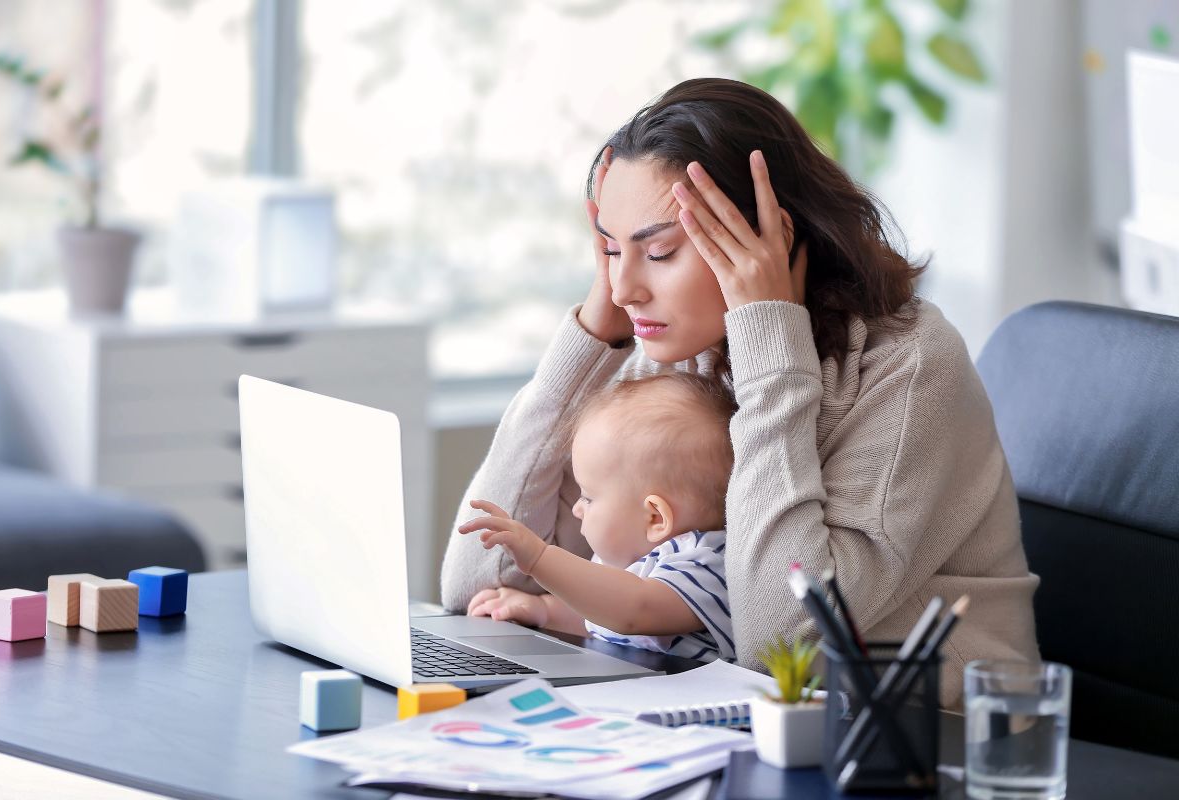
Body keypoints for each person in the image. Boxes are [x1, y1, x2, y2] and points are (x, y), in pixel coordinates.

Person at [440, 76, 1040, 708]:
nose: (625, 288)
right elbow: (475, 583)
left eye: (661, 252)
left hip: (926, 743)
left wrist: (769, 347)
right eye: (612, 251)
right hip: (734, 722)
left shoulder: (910, 367)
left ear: (768, 238)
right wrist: (593, 336)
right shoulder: (687, 349)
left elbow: (782, 644)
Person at [460, 371, 737, 662]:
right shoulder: (626, 568)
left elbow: (633, 611)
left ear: (655, 518)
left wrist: (540, 558)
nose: (577, 509)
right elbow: (600, 618)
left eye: (588, 497)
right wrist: (543, 610)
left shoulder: (706, 562)